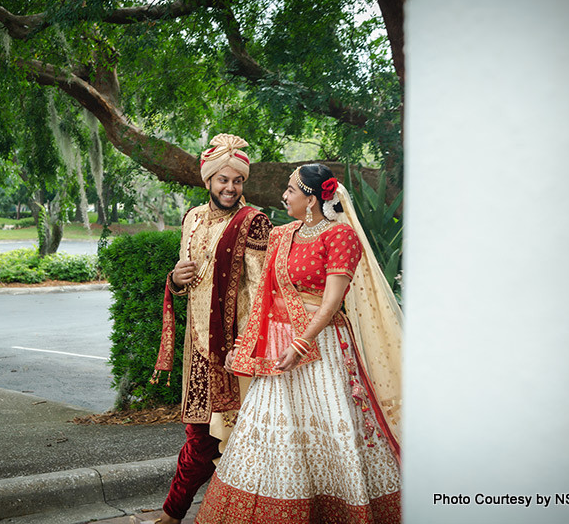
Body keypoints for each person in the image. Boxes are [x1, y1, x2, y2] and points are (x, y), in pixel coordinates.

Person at [195, 163, 403, 524]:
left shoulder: (340, 237)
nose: (284, 195)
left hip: (323, 349)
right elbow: (263, 298)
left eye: (291, 189)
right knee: (268, 430)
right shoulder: (282, 234)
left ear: (310, 199)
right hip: (279, 345)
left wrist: (302, 343)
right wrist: (245, 345)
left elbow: (332, 303)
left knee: (332, 428)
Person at [151, 133, 273, 524]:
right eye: (223, 179)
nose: (230, 187)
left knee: (223, 439)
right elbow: (187, 279)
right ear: (208, 181)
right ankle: (182, 511)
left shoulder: (253, 222)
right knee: (200, 434)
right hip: (197, 345)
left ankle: (176, 513)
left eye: (237, 180)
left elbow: (259, 291)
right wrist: (175, 279)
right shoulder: (191, 219)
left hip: (233, 350)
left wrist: (248, 346)